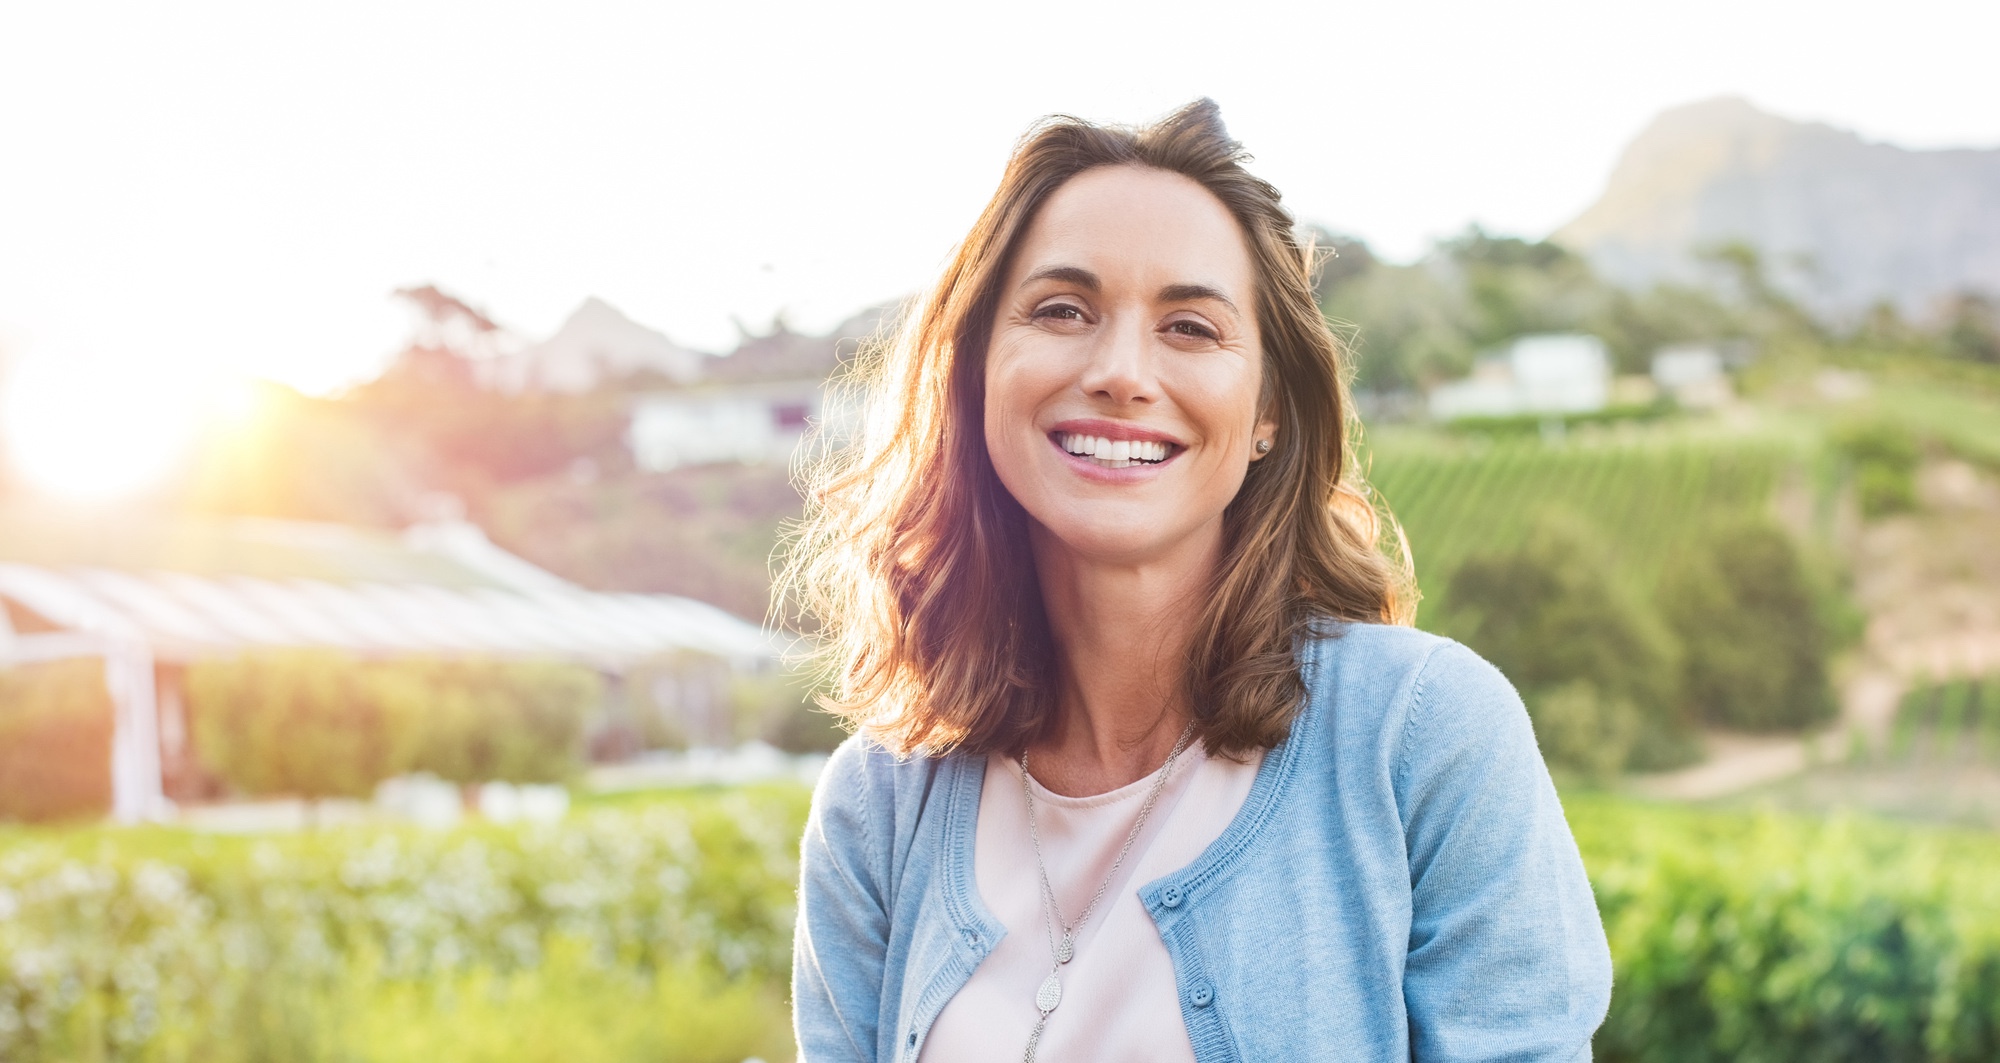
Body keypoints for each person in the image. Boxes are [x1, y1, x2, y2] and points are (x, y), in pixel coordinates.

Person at [782, 99, 1611, 1063]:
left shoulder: (1424, 738)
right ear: (976, 372)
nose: (1122, 372)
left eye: (1189, 325)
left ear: (1267, 410)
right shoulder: (879, 805)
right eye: (1062, 310)